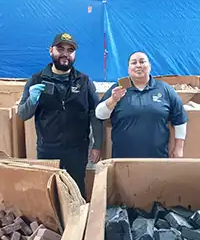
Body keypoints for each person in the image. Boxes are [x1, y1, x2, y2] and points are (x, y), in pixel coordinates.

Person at [18, 32, 103, 198]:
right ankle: (52, 224)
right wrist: (32, 100)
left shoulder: (84, 81)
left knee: (77, 192)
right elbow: (22, 115)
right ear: (51, 51)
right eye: (60, 49)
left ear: (74, 55)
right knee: (50, 194)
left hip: (77, 150)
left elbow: (95, 114)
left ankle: (78, 223)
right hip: (48, 149)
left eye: (70, 50)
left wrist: (97, 144)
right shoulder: (36, 80)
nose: (65, 54)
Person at [95, 51, 188, 158]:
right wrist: (113, 100)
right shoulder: (120, 87)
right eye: (134, 63)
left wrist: (179, 148)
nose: (138, 65)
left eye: (142, 62)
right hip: (123, 159)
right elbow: (100, 114)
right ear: (128, 68)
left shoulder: (164, 89)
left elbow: (180, 120)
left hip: (157, 158)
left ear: (150, 66)